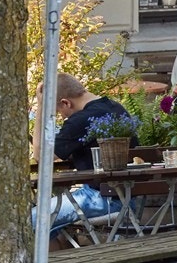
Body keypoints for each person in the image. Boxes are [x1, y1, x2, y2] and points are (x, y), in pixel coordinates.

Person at [45, 73, 127, 228]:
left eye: (60, 112)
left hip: (101, 199)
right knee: (53, 229)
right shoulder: (116, 107)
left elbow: (40, 156)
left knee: (30, 221)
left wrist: (43, 107)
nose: (62, 117)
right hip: (130, 197)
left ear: (66, 103)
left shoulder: (81, 119)